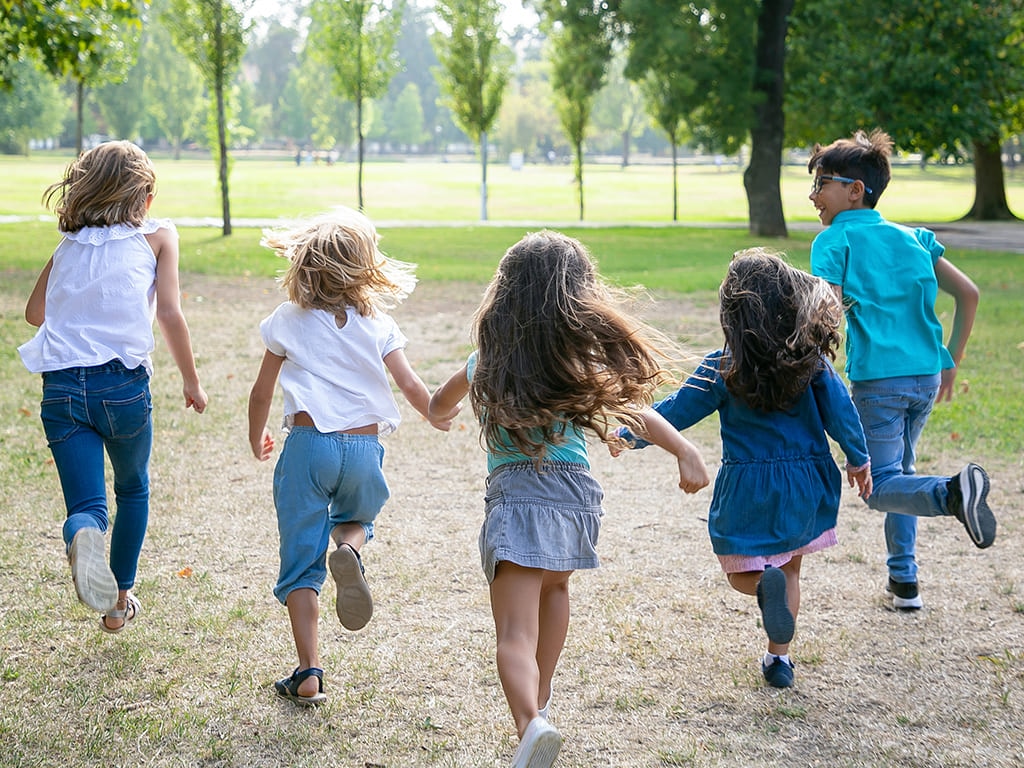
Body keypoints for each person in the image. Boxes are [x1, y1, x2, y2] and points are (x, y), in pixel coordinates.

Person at [428, 230, 709, 767]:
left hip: (518, 496)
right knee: (556, 590)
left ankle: (530, 722)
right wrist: (684, 449)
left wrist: (442, 414)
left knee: (513, 631)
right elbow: (638, 411)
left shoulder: (484, 360)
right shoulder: (575, 358)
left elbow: (440, 405)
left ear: (504, 295)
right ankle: (544, 700)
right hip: (576, 495)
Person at [613, 249, 872, 688]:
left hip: (749, 484)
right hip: (806, 481)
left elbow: (678, 410)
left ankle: (759, 588)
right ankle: (780, 659)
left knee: (742, 569)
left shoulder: (722, 364)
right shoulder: (810, 361)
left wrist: (631, 433)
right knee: (789, 566)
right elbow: (842, 412)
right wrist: (859, 457)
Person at [247, 208, 454, 707]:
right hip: (364, 448)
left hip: (308, 446)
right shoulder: (376, 323)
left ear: (304, 267)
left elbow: (261, 390)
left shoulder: (286, 321)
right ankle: (352, 549)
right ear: (365, 270)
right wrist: (432, 412)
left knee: (300, 563)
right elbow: (408, 383)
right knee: (357, 519)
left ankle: (309, 673)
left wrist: (257, 435)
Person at [19, 140, 208, 633]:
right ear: (144, 197)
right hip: (121, 388)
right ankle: (119, 600)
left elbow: (34, 314)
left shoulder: (68, 245)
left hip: (60, 391)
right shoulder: (158, 236)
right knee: (133, 488)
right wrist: (191, 380)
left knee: (86, 507)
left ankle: (83, 534)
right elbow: (169, 312)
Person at [807, 129, 997, 611]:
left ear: (855, 190)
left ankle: (953, 494)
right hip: (926, 376)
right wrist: (950, 359)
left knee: (881, 487)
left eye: (822, 183)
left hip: (880, 382)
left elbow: (826, 315)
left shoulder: (833, 241)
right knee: (900, 475)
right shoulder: (914, 238)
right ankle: (904, 582)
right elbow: (969, 295)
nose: (813, 195)